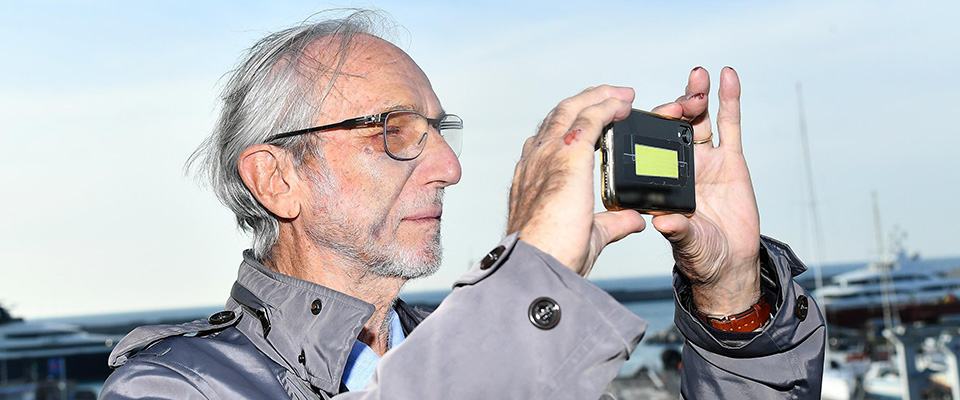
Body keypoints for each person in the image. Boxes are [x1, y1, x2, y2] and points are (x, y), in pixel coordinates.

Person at [101, 10, 825, 399]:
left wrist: (732, 298)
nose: (449, 167)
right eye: (395, 132)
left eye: (440, 134)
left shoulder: (488, 352)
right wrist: (530, 276)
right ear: (276, 178)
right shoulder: (172, 387)